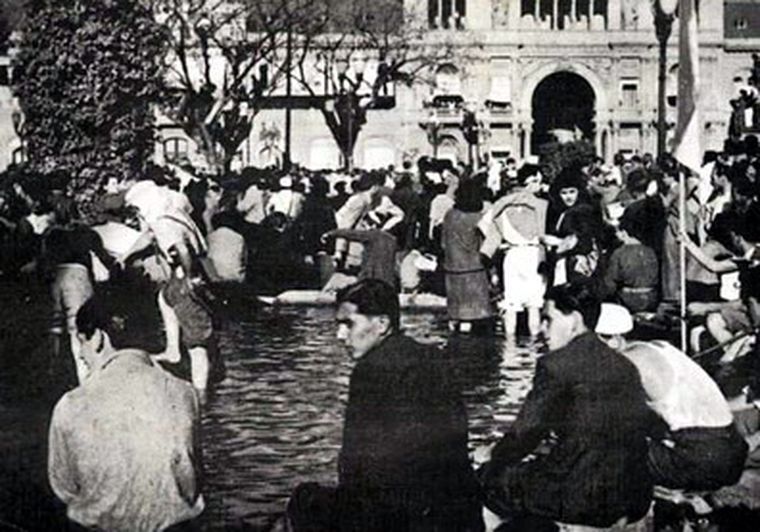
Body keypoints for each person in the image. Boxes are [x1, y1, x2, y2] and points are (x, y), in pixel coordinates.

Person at [287, 279, 482, 531]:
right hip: (457, 508)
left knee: (305, 498)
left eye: (348, 324)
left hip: (403, 517)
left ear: (382, 324)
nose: (340, 336)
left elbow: (354, 462)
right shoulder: (436, 357)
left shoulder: (371, 369)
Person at [479, 282, 653, 530]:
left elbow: (525, 435)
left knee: (487, 480)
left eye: (548, 319)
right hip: (632, 495)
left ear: (574, 320)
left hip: (583, 496)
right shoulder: (624, 365)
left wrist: (492, 457)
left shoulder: (556, 365)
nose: (542, 329)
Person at [48, 295, 204, 532]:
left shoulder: (71, 403)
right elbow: (194, 478)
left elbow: (64, 488)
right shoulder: (185, 393)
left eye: (82, 343)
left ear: (99, 338)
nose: (81, 355)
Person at [596, 303, 748, 491]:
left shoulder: (631, 362)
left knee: (601, 447)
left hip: (704, 457)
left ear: (614, 340)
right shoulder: (658, 347)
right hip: (730, 448)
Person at [479, 164, 548, 340]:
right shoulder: (541, 205)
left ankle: (509, 349)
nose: (540, 185)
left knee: (511, 305)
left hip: (512, 255)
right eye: (538, 181)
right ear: (530, 181)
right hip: (534, 255)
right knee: (534, 305)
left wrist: (502, 242)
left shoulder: (500, 205)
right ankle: (534, 347)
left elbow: (483, 225)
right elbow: (545, 234)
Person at [442, 179, 494, 332]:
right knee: (472, 319)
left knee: (456, 316)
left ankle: (455, 348)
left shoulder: (449, 215)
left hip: (452, 270)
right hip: (474, 271)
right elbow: (488, 244)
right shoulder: (478, 218)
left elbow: (443, 243)